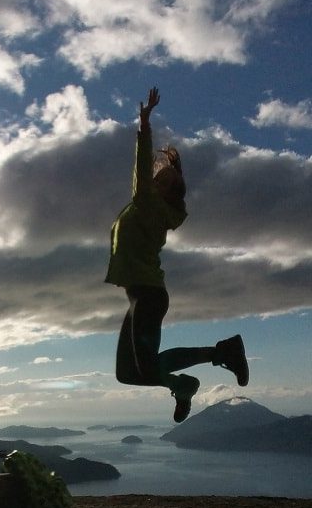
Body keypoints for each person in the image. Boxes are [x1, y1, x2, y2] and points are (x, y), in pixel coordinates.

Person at [105, 87, 248, 422]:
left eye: (163, 180)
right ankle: (194, 375)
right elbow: (144, 178)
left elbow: (140, 172)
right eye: (159, 176)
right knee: (128, 373)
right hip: (140, 295)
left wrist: (144, 127)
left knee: (146, 367)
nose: (155, 180)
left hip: (149, 295)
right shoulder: (148, 207)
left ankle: (215, 358)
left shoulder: (150, 206)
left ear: (166, 194)